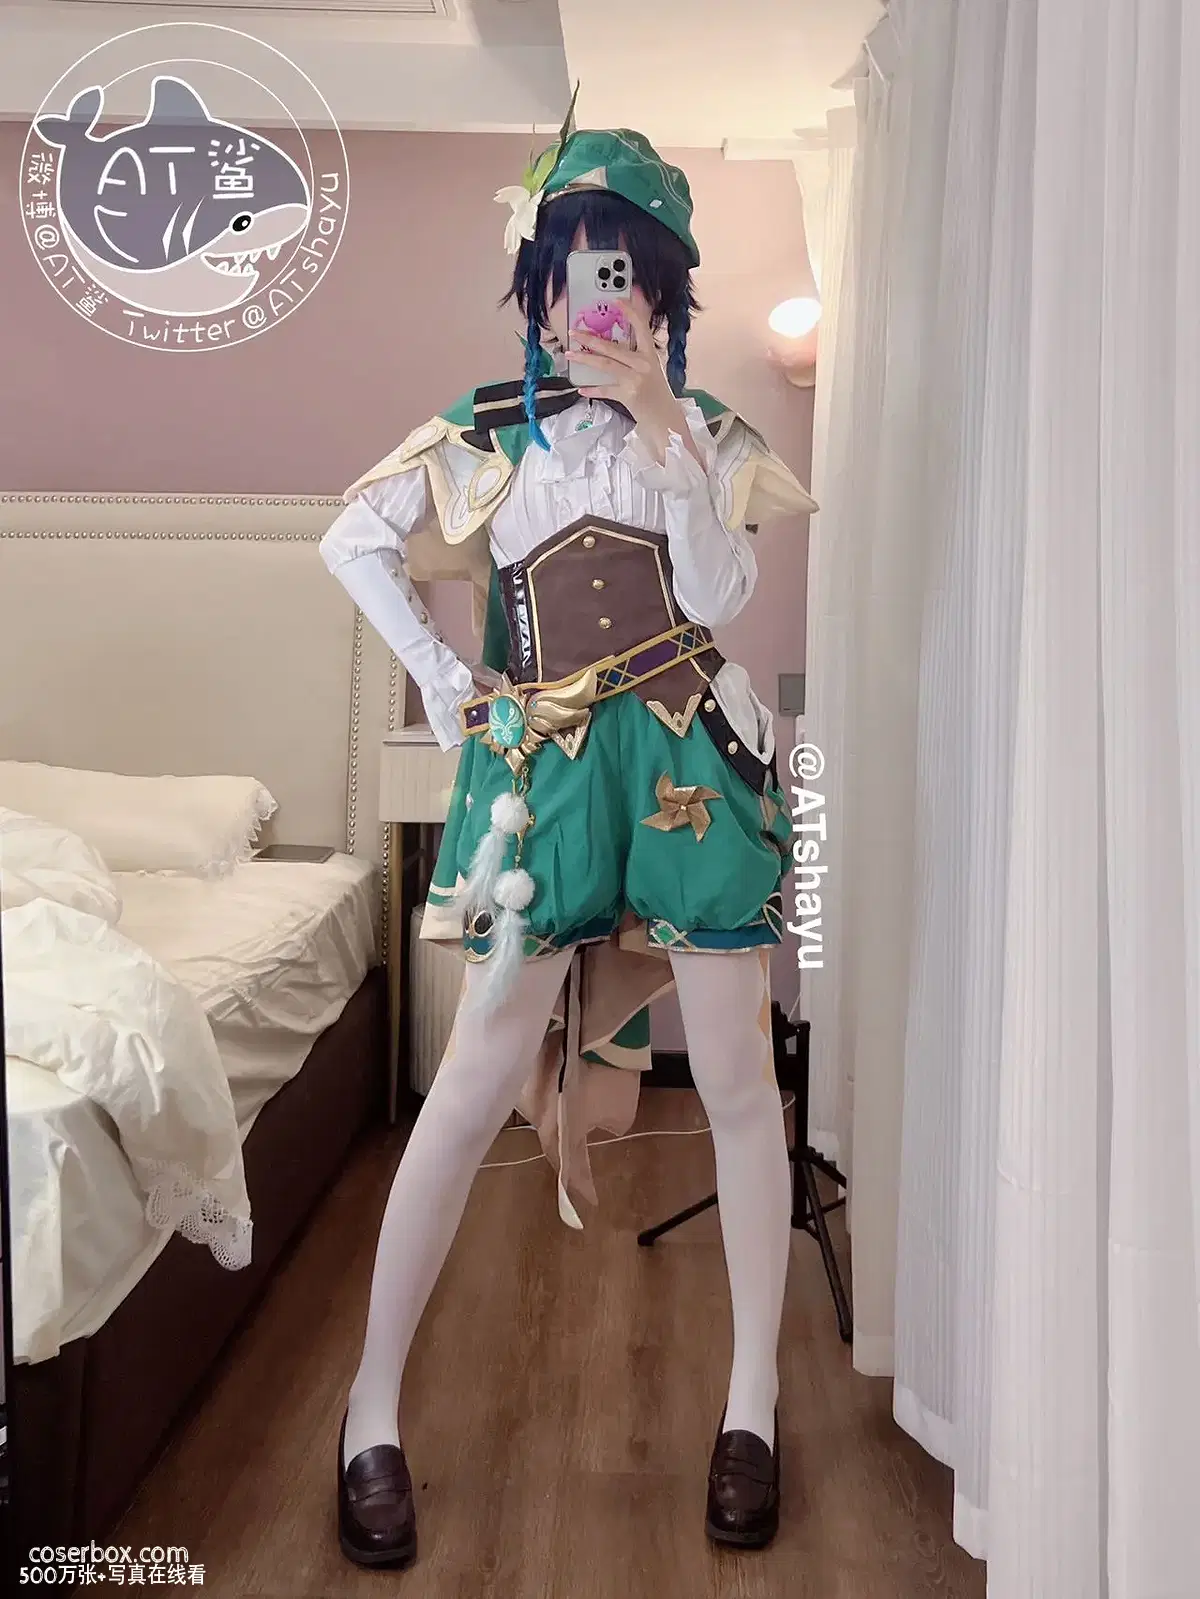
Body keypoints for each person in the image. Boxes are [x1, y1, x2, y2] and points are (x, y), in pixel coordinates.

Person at [319, 109, 817, 1571]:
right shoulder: (484, 437)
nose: (604, 296)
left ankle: (753, 1401)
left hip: (686, 750)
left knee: (736, 1076)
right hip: (542, 773)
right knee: (472, 1079)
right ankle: (369, 1407)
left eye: (630, 272)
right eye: (580, 269)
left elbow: (718, 598)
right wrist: (443, 677)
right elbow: (351, 539)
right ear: (537, 287)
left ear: (663, 295)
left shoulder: (702, 438)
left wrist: (664, 425)